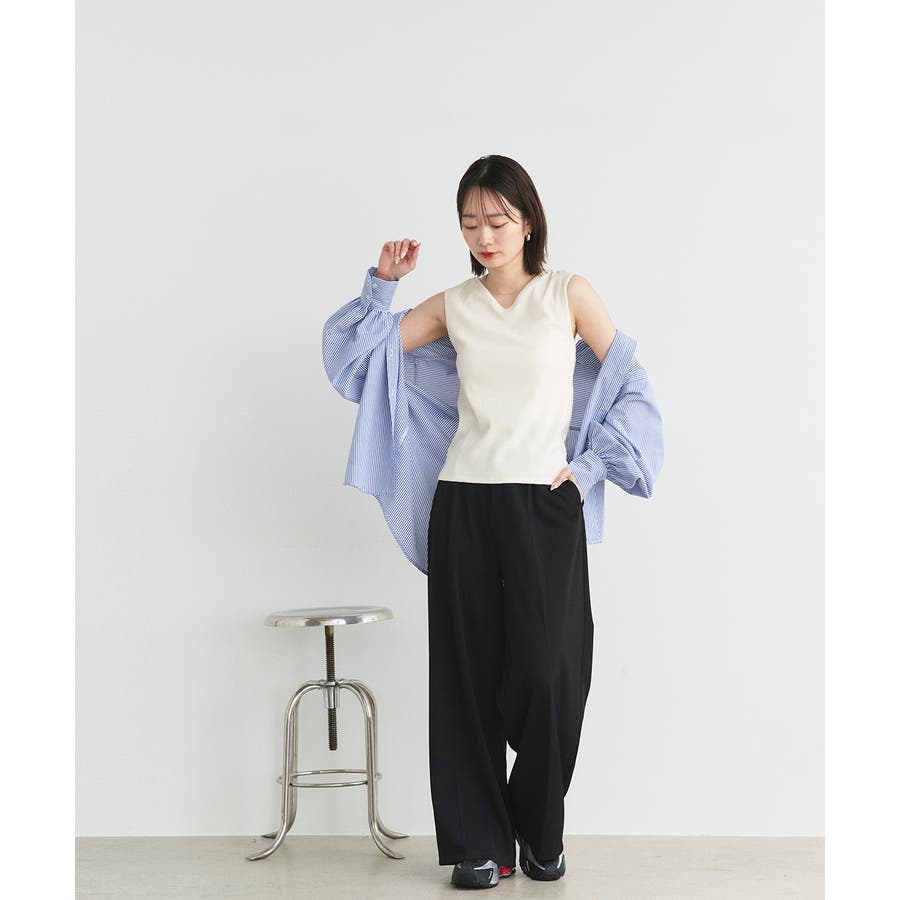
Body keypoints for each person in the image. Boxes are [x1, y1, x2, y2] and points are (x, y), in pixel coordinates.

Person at [323, 154, 664, 890]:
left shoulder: (568, 293)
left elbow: (630, 385)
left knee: (552, 676)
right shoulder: (454, 303)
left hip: (545, 504)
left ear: (529, 221)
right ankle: (479, 843)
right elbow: (361, 364)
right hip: (465, 503)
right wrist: (382, 285)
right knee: (466, 679)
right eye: (470, 222)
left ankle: (539, 831)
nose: (484, 235)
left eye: (498, 220)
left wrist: (590, 470)